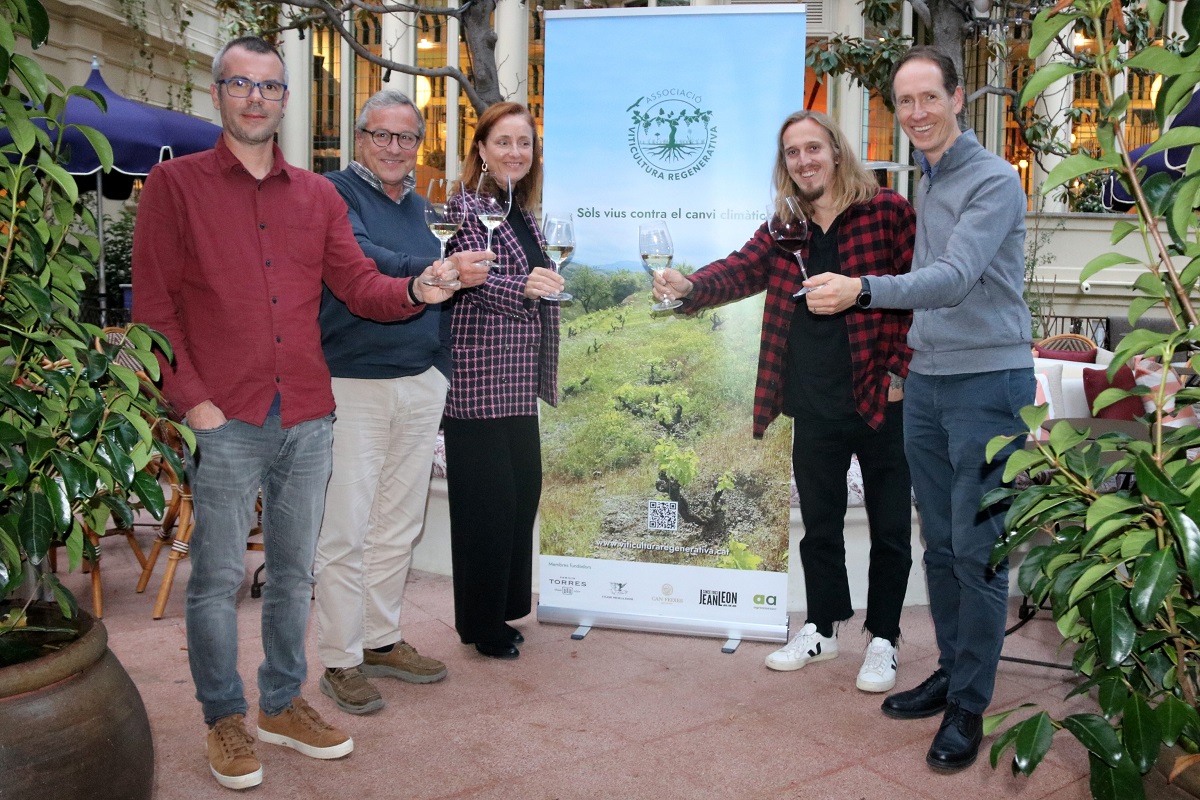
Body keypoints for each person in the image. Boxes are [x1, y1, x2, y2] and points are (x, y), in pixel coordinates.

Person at [132, 37, 459, 791]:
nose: (256, 98)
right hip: (225, 418)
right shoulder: (174, 189)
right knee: (216, 579)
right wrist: (195, 405)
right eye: (240, 85)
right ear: (216, 94)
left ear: (286, 100)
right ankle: (225, 716)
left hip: (309, 414)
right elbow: (152, 315)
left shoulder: (315, 197)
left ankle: (282, 703)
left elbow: (360, 286)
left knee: (291, 577)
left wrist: (420, 290)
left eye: (270, 87)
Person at [805, 46, 1034, 773]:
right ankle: (952, 670)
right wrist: (908, 365)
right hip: (930, 385)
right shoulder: (929, 183)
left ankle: (969, 702)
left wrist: (862, 289)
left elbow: (953, 277)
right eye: (904, 103)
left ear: (958, 97)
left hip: (988, 383)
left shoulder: (993, 180)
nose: (917, 114)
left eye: (928, 98)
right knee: (940, 545)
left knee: (979, 552)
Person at [652, 110, 916, 693]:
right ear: (786, 165)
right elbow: (740, 269)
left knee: (891, 528)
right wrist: (691, 286)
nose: (804, 161)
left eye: (812, 149)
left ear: (836, 152)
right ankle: (822, 627)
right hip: (812, 401)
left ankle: (885, 638)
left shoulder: (889, 212)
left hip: (882, 397)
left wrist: (901, 370)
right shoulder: (784, 225)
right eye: (793, 153)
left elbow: (920, 290)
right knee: (819, 527)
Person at [312, 89, 493, 715]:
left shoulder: (425, 209)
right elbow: (366, 261)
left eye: (407, 138)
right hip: (353, 383)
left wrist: (438, 367)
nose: (395, 148)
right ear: (360, 138)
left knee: (398, 524)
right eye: (382, 136)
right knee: (346, 529)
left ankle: (380, 639)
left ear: (420, 145)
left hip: (418, 381)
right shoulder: (332, 194)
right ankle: (339, 657)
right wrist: (442, 268)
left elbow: (443, 288)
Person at [442, 102, 564, 660]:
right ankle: (481, 623)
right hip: (478, 375)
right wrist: (524, 290)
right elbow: (462, 277)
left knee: (520, 497)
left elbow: (535, 277)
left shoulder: (524, 213)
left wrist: (543, 283)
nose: (517, 152)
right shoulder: (462, 208)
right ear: (481, 150)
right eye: (505, 142)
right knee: (486, 506)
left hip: (518, 379)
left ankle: (504, 608)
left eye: (526, 143)